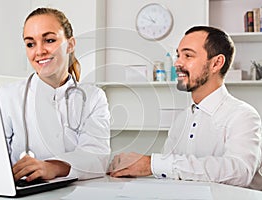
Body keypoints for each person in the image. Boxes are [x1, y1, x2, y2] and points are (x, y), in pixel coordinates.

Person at [108, 26, 262, 189]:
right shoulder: (182, 119)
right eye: (178, 55)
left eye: (188, 55)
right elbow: (168, 174)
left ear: (216, 63)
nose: (177, 63)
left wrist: (151, 164)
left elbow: (240, 172)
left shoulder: (242, 115)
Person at [0, 7, 110, 182]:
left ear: (70, 45)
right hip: (24, 191)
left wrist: (53, 167)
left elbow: (97, 157)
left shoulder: (94, 97)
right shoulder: (7, 96)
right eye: (30, 44)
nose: (39, 51)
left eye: (49, 40)